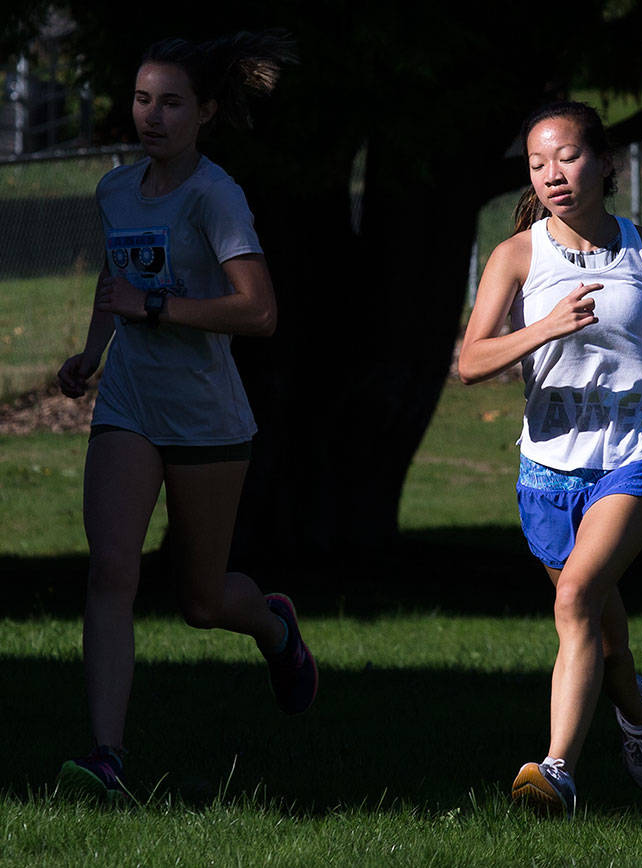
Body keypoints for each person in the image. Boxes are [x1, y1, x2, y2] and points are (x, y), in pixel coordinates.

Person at [54, 32, 315, 801]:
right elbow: (117, 268)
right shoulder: (116, 190)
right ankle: (108, 755)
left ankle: (274, 627)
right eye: (142, 100)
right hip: (129, 406)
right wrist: (95, 350)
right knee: (111, 570)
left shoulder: (216, 195)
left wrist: (158, 307)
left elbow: (260, 311)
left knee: (202, 603)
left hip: (207, 421)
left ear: (203, 111)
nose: (153, 116)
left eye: (171, 102)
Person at [457, 101, 642, 817]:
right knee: (603, 638)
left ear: (606, 164)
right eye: (538, 164)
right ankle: (637, 716)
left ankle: (556, 773)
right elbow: (471, 361)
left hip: (631, 461)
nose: (552, 175)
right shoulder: (516, 256)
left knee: (573, 599)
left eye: (568, 157)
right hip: (546, 473)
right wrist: (543, 327)